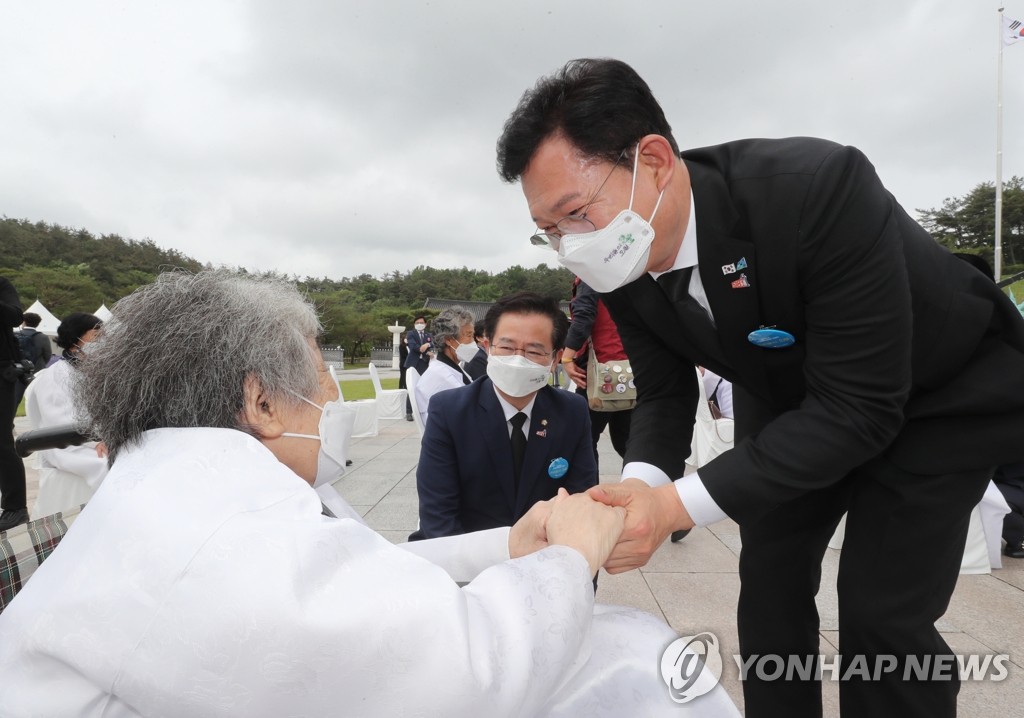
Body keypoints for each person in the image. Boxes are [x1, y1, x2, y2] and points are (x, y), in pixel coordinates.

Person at [497, 58, 1024, 718]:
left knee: (880, 610)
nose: (570, 245)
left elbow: (857, 406)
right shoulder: (620, 259)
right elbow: (661, 390)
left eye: (575, 213)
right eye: (549, 230)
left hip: (938, 395)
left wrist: (674, 508)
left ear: (654, 160)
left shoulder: (815, 188)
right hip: (793, 396)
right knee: (769, 581)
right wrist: (640, 485)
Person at [0, 270, 741, 718]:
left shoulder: (196, 486)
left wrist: (509, 546)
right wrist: (566, 561)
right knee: (638, 666)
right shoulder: (215, 531)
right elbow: (461, 678)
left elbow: (358, 575)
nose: (333, 407)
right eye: (323, 386)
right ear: (259, 402)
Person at [415, 292, 598, 540]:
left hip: (545, 558)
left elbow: (582, 506)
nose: (518, 359)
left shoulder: (572, 412)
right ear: (488, 347)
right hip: (470, 561)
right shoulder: (449, 411)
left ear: (554, 359)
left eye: (534, 351)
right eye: (507, 347)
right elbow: (438, 517)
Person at [25, 312, 107, 518]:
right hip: (68, 445)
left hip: (95, 438)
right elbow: (61, 422)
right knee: (108, 466)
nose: (104, 342)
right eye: (97, 336)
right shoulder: (57, 376)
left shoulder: (93, 371)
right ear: (75, 339)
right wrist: (95, 441)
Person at [562, 276, 634, 471]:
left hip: (599, 372)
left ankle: (589, 491)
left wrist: (567, 357)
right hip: (629, 369)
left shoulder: (590, 276)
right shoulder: (625, 275)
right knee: (627, 441)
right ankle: (641, 488)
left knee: (582, 440)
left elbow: (584, 316)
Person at [413, 306, 474, 427]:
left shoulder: (448, 367)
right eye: (469, 335)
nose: (473, 342)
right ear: (449, 340)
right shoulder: (442, 377)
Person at [0, 276, 28, 533]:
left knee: (1, 439)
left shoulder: (2, 285)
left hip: (1, 370)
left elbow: (14, 317)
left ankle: (15, 507)